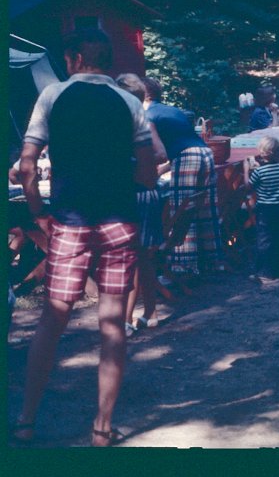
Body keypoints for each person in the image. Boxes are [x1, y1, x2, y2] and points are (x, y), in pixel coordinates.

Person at [13, 29, 156, 446]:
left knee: (52, 320)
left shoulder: (53, 97)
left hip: (69, 222)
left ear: (74, 58)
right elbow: (148, 175)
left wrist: (39, 214)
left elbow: (26, 166)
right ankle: (102, 428)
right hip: (118, 221)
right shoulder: (130, 102)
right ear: (108, 61)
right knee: (112, 325)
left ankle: (25, 420)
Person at [143, 77, 226, 280]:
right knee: (204, 207)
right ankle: (213, 261)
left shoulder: (147, 115)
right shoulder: (173, 110)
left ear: (143, 95)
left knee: (182, 209)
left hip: (187, 157)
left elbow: (166, 151)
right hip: (205, 154)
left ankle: (182, 266)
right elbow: (179, 145)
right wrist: (162, 170)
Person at [115, 74, 167, 337]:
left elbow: (160, 154)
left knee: (133, 259)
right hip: (136, 194)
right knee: (143, 259)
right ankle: (151, 313)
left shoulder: (140, 122)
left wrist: (136, 162)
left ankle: (125, 320)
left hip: (140, 195)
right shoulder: (126, 122)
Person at [245, 136, 279, 282]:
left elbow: (248, 186)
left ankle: (265, 272)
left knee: (264, 240)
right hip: (278, 208)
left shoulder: (259, 172)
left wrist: (246, 171)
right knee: (277, 239)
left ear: (263, 153)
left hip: (264, 209)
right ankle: (278, 269)